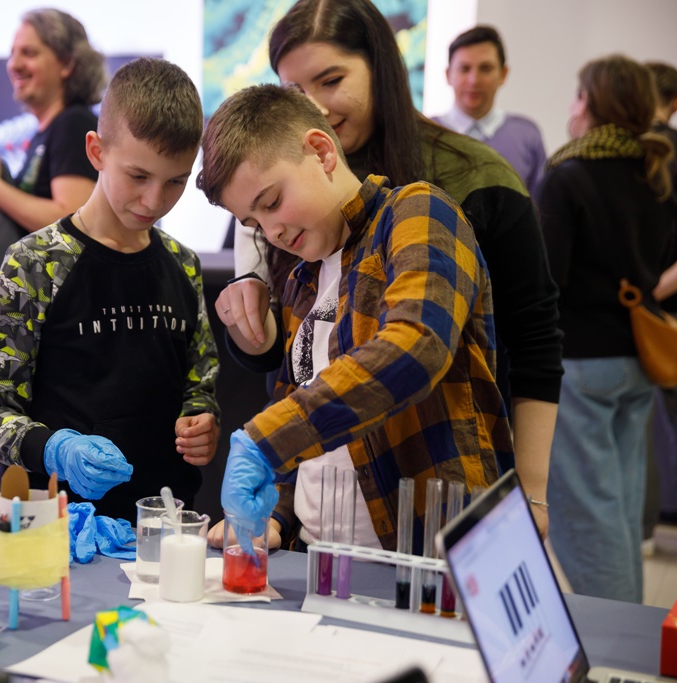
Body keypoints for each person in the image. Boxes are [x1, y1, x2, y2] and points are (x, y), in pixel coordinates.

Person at [227, 0, 562, 548]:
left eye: (331, 80)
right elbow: (296, 363)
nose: (314, 105)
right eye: (294, 91)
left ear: (378, 67)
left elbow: (492, 342)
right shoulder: (297, 225)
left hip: (431, 499)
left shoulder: (448, 190)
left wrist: (532, 490)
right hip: (330, 519)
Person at [199, 84, 507, 552]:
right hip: (320, 560)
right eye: (255, 223)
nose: (273, 230)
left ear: (321, 151)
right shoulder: (303, 280)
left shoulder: (417, 211)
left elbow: (418, 344)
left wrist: (267, 439)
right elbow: (299, 401)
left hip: (427, 554)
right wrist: (276, 513)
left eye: (273, 201)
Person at [0, 58, 220, 522]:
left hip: (168, 520)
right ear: (97, 151)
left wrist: (202, 420)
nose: (154, 201)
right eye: (138, 176)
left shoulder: (183, 265)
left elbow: (199, 381)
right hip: (64, 525)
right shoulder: (36, 263)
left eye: (176, 182)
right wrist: (54, 449)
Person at [539, 55, 675, 603]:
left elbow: (548, 281)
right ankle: (631, 623)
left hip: (582, 365)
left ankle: (616, 637)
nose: (571, 107)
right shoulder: (653, 175)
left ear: (590, 104)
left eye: (577, 96)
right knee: (619, 504)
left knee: (587, 513)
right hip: (636, 359)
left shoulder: (568, 176)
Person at [0, 8, 105, 369]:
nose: (14, 64)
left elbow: (72, 217)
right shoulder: (49, 129)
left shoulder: (73, 123)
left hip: (56, 315)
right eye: (13, 52)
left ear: (67, 64)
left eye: (29, 53)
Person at [643, 61, 677, 550]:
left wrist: (649, 291)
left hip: (639, 309)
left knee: (639, 423)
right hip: (674, 308)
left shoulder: (624, 155)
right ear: (676, 100)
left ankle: (641, 531)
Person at [433, 25, 548, 196]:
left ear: (503, 74)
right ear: (448, 75)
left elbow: (540, 209)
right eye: (464, 69)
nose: (474, 80)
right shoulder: (424, 133)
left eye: (485, 68)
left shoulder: (527, 136)